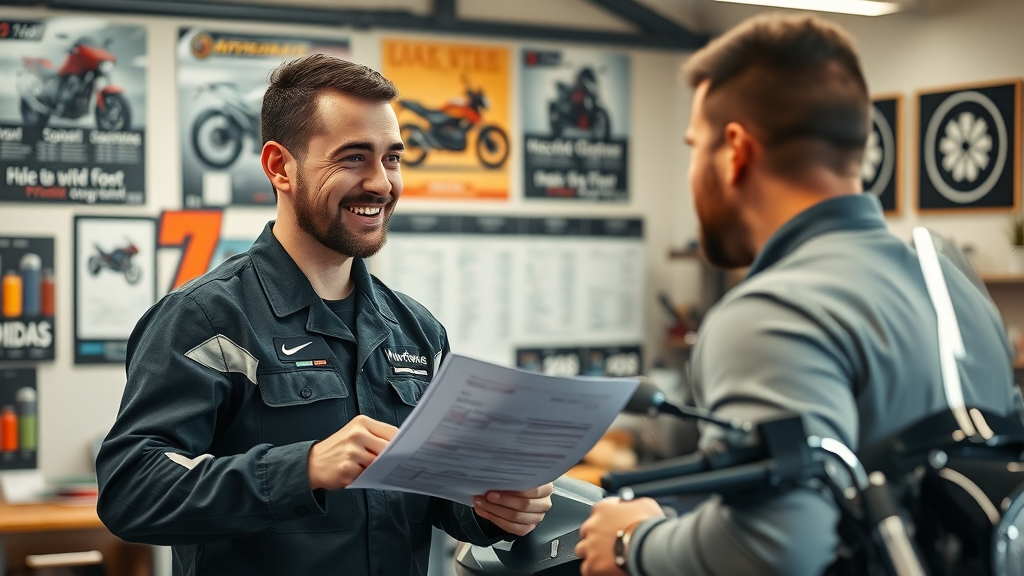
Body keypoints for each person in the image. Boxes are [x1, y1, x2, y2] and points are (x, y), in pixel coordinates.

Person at [575, 13, 1021, 576]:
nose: (691, 173)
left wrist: (633, 543)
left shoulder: (770, 313)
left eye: (694, 147)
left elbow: (777, 548)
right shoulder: (953, 285)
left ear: (734, 150)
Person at [96, 54, 553, 575]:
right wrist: (304, 468)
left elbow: (433, 494)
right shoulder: (206, 319)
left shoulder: (418, 332)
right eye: (354, 158)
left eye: (393, 158)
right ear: (278, 167)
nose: (382, 183)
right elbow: (131, 490)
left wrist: (493, 509)